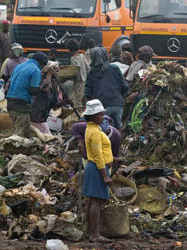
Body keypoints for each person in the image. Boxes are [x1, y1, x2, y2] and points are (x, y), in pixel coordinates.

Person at [82, 99, 112, 243]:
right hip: (97, 169)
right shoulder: (94, 132)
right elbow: (98, 155)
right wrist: (105, 175)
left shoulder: (92, 128)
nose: (103, 117)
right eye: (100, 115)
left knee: (91, 201)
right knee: (96, 202)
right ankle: (95, 234)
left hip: (93, 167)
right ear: (93, 116)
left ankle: (90, 232)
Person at [6, 52, 49, 138]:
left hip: (10, 103)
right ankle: (18, 151)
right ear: (41, 63)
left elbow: (9, 83)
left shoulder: (19, 66)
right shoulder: (36, 70)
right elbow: (33, 90)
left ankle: (14, 150)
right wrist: (43, 85)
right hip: (21, 105)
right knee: (21, 136)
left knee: (17, 130)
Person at [85, 47, 129, 129]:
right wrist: (118, 96)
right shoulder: (115, 68)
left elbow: (88, 93)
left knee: (103, 131)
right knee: (117, 127)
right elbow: (124, 87)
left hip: (101, 108)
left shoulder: (92, 73)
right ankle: (118, 141)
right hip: (117, 104)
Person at [30, 66, 69, 134]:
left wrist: (64, 102)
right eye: (55, 70)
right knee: (47, 137)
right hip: (35, 115)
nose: (57, 73)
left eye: (58, 71)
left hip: (42, 117)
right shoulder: (41, 79)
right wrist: (49, 74)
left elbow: (54, 106)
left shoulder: (54, 86)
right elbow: (46, 88)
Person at [66, 39, 90, 108]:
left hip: (78, 83)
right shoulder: (82, 56)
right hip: (85, 82)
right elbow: (88, 68)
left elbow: (74, 72)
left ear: (70, 49)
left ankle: (79, 115)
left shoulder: (73, 58)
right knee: (83, 100)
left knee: (77, 101)